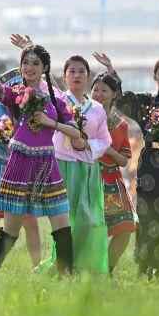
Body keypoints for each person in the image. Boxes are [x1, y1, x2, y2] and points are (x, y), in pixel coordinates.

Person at [0, 34, 80, 276]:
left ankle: (68, 279)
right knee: (10, 230)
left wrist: (50, 123)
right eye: (25, 62)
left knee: (62, 226)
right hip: (19, 165)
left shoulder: (56, 100)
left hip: (47, 165)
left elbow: (76, 133)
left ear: (45, 68)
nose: (29, 67)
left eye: (35, 63)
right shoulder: (16, 94)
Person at [95, 52, 159, 279]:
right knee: (148, 215)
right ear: (155, 77)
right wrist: (111, 70)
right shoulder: (146, 103)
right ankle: (144, 268)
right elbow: (121, 99)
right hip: (150, 168)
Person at [45, 54, 112, 275]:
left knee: (90, 220)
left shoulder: (97, 109)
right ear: (65, 76)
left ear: (88, 76)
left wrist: (86, 144)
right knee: (66, 221)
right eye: (71, 71)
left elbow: (105, 140)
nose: (77, 75)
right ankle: (63, 265)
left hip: (88, 168)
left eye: (81, 71)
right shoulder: (57, 102)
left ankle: (84, 265)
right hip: (63, 165)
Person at [0, 84, 42, 267]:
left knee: (30, 222)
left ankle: (36, 268)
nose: (16, 94)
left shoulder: (31, 111)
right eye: (12, 89)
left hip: (23, 171)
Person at [89, 71, 136, 274]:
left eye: (104, 90)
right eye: (95, 90)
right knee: (90, 228)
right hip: (88, 177)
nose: (99, 94)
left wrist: (107, 150)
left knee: (125, 227)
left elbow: (124, 160)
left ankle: (105, 270)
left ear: (114, 94)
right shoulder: (83, 116)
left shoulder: (120, 124)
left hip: (111, 180)